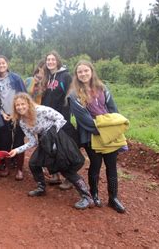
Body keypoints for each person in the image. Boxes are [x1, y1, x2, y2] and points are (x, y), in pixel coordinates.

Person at [8, 93, 94, 210]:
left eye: (22, 104)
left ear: (28, 103)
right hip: (44, 141)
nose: (20, 107)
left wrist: (52, 132)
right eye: (17, 105)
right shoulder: (22, 122)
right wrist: (16, 151)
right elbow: (33, 141)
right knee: (33, 163)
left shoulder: (41, 110)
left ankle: (87, 197)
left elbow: (61, 119)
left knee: (65, 168)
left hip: (57, 137)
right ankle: (41, 187)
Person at [68, 60, 126, 213]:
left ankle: (113, 198)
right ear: (76, 75)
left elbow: (113, 110)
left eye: (86, 70)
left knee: (112, 166)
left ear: (91, 71)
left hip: (109, 133)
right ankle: (94, 195)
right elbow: (84, 119)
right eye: (80, 72)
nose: (83, 74)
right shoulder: (74, 95)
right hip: (89, 134)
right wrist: (105, 129)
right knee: (95, 165)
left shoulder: (102, 88)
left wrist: (113, 128)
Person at [41, 50, 77, 190]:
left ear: (58, 61)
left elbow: (70, 97)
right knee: (50, 147)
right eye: (48, 60)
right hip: (47, 119)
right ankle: (55, 175)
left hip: (61, 119)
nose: (50, 62)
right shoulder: (46, 77)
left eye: (52, 59)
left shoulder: (65, 76)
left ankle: (69, 178)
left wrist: (64, 119)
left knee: (63, 148)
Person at [0, 55, 27, 180]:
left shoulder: (15, 78)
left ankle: (19, 169)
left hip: (18, 114)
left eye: (3, 63)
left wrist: (20, 113)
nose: (1, 66)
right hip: (4, 115)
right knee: (5, 142)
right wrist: (2, 113)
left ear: (7, 64)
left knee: (18, 141)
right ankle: (6, 167)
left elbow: (24, 95)